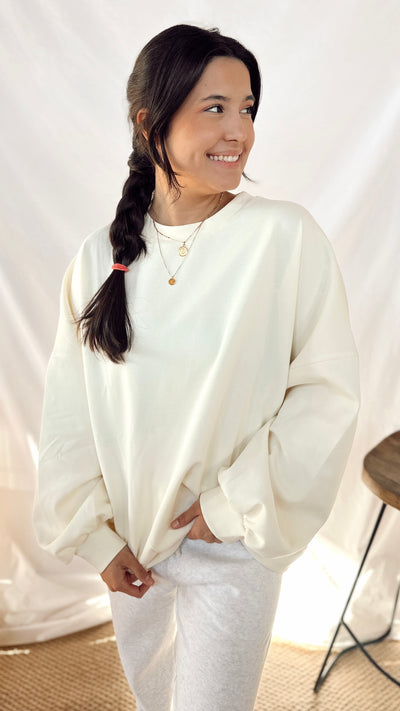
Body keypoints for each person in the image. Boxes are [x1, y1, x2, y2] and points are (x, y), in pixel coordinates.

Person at [33, 23, 360, 711]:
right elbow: (71, 412)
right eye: (215, 107)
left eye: (247, 109)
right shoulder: (99, 259)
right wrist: (95, 537)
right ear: (148, 121)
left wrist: (226, 507)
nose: (238, 131)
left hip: (231, 543)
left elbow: (326, 393)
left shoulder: (283, 236)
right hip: (134, 549)